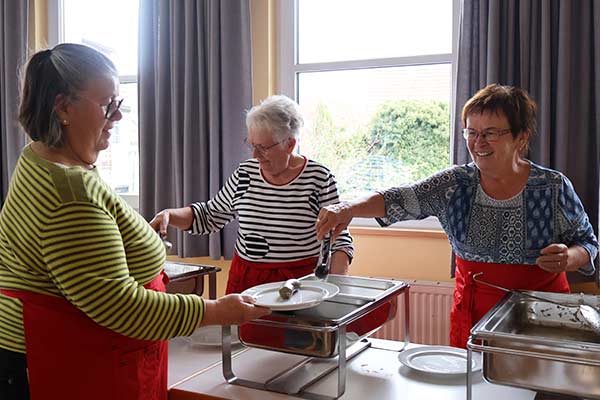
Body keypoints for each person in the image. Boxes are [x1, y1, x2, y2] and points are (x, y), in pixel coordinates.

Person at [0, 43, 269, 400]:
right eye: (108, 106)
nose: (118, 117)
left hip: (58, 353)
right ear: (63, 107)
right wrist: (217, 310)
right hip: (63, 359)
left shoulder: (41, 158)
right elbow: (121, 306)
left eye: (119, 105)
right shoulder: (69, 192)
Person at [315, 83, 599, 348]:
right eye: (471, 132)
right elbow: (395, 198)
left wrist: (569, 258)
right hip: (475, 318)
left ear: (520, 137)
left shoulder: (553, 186)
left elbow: (588, 243)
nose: (478, 142)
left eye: (490, 133)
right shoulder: (453, 185)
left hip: (542, 317)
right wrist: (346, 208)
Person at [150, 95, 354, 295]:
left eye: (263, 147)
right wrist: (169, 214)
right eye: (251, 145)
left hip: (300, 285)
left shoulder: (319, 178)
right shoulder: (245, 174)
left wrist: (334, 291)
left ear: (290, 144)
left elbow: (339, 239)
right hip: (248, 283)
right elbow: (210, 215)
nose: (255, 155)